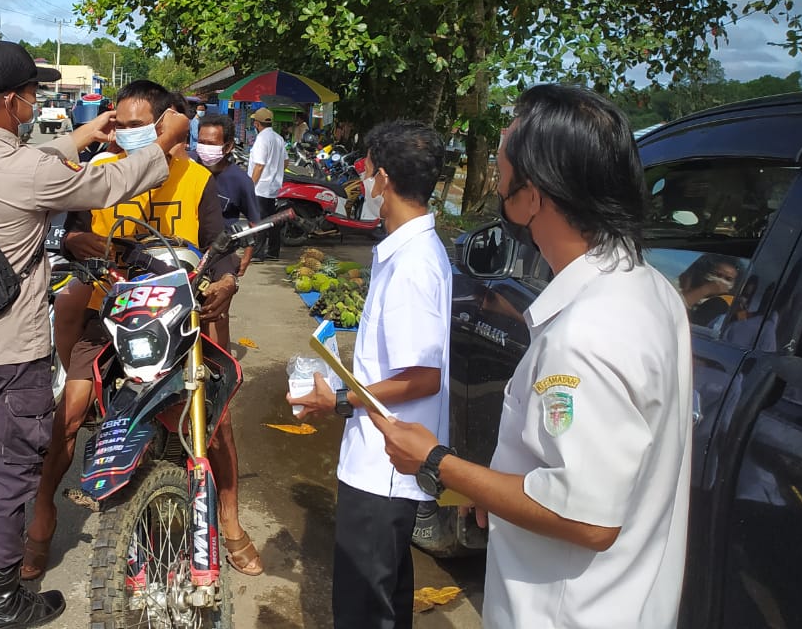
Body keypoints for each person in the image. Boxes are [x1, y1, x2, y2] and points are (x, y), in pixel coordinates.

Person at [367, 84, 693, 629]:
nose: (494, 177)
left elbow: (584, 516)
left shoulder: (588, 334)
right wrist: (495, 487)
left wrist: (438, 462)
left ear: (533, 194)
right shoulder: (649, 289)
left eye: (501, 166)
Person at [0, 41, 186, 629]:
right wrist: (161, 140)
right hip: (12, 353)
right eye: (30, 92)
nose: (34, 100)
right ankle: (2, 602)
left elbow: (23, 165)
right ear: (11, 100)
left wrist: (81, 137)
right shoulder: (31, 173)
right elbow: (105, 188)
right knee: (8, 472)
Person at [24, 80, 257, 581]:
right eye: (121, 126)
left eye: (136, 127)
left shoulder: (196, 179)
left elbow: (221, 244)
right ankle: (40, 522)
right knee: (70, 413)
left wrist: (228, 279)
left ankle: (232, 523)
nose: (124, 136)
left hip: (182, 311)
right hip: (107, 308)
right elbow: (73, 233)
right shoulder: (100, 172)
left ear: (167, 125)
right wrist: (89, 248)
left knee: (216, 423)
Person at [288, 120, 452, 629]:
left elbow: (423, 377)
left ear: (383, 178)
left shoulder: (413, 267)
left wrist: (336, 399)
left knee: (365, 608)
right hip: (381, 459)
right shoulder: (405, 252)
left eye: (367, 171)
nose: (364, 182)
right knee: (383, 600)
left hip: (387, 465)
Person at [194, 112, 261, 276]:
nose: (204, 148)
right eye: (201, 143)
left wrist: (246, 257)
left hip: (221, 253)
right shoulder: (189, 166)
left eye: (211, 144)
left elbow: (254, 223)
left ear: (228, 146)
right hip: (188, 249)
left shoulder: (240, 181)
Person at [248, 107, 286, 261]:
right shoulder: (279, 138)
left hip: (261, 187)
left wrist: (250, 185)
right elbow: (286, 161)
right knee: (273, 220)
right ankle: (273, 251)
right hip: (273, 186)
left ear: (257, 124)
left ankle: (258, 253)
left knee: (260, 221)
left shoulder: (262, 139)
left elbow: (259, 165)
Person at [678, 253, 739, 328]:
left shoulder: (722, 303)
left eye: (728, 279)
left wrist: (707, 289)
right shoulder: (696, 294)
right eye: (718, 275)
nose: (721, 281)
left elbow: (676, 309)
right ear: (706, 273)